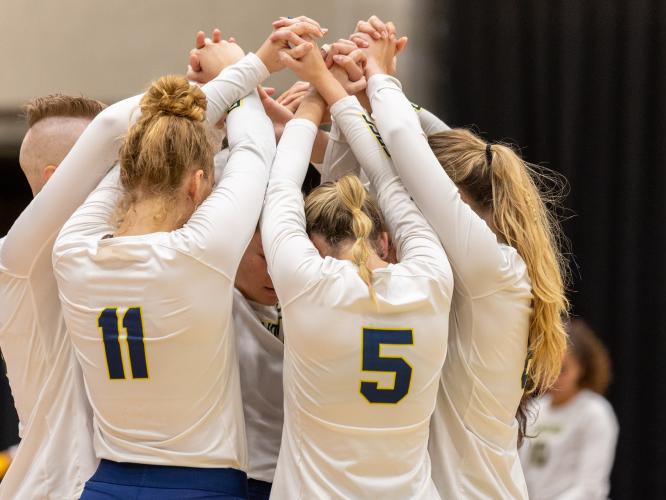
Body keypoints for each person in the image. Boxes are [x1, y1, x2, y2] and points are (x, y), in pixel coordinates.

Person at [51, 24, 321, 498]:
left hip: (106, 483)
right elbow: (256, 147)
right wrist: (242, 65)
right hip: (200, 487)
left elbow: (127, 168)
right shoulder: (200, 253)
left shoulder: (71, 251)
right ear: (197, 186)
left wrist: (242, 71)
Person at [352, 16, 569, 498]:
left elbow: (410, 153)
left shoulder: (491, 268)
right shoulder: (490, 259)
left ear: (460, 207)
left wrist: (378, 81)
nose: (410, 218)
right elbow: (440, 149)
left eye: (422, 202)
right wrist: (377, 90)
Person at [260, 31, 454, 498]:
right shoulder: (431, 277)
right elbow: (392, 182)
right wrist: (342, 93)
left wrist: (312, 103)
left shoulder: (308, 283)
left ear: (310, 243)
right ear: (386, 239)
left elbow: (281, 188)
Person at [0, 93, 137, 499]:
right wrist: (224, 81)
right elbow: (113, 125)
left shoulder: (129, 250)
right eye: (113, 167)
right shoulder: (15, 260)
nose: (127, 179)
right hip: (55, 488)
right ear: (55, 180)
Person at [520, 319, 618, 500]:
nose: (552, 378)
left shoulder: (595, 413)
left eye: (562, 369)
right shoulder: (535, 409)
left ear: (582, 368)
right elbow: (520, 472)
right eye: (548, 368)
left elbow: (590, 488)